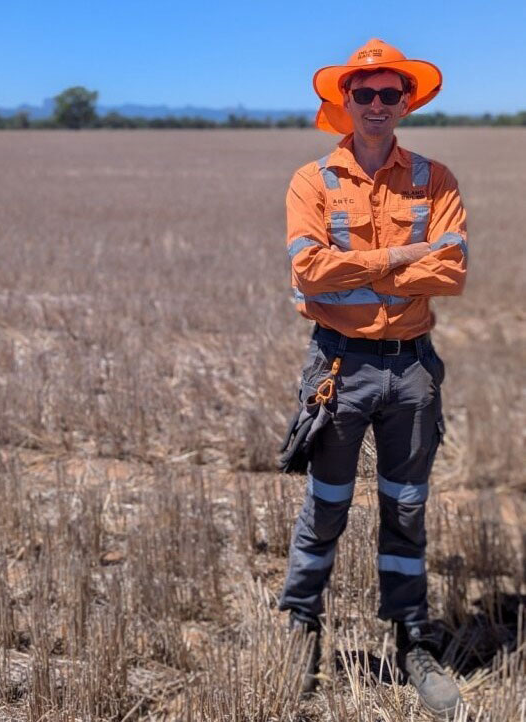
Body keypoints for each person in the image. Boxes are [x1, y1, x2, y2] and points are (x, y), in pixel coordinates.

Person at [278, 39, 467, 717]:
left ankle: (410, 639)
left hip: (411, 370)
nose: (379, 105)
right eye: (366, 94)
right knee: (324, 505)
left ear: (406, 100)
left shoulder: (432, 178)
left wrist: (360, 263)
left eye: (392, 93)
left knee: (405, 510)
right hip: (337, 368)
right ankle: (299, 626)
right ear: (344, 101)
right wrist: (404, 254)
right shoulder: (310, 181)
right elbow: (308, 271)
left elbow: (451, 271)